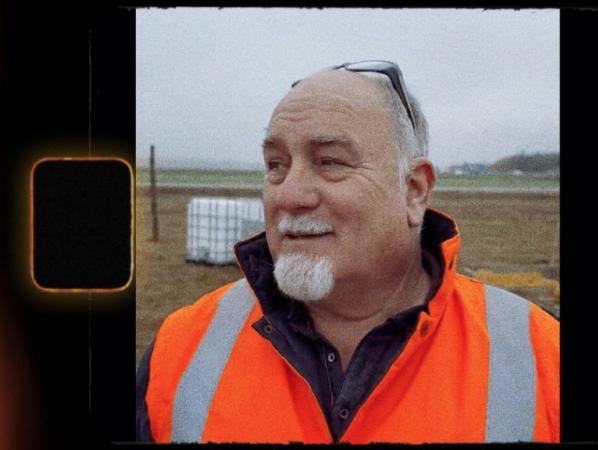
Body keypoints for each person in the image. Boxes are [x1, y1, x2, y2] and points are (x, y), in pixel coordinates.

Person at [135, 60, 560, 444]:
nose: (291, 195)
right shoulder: (182, 350)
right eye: (276, 165)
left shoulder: (542, 357)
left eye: (331, 162)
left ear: (413, 191)